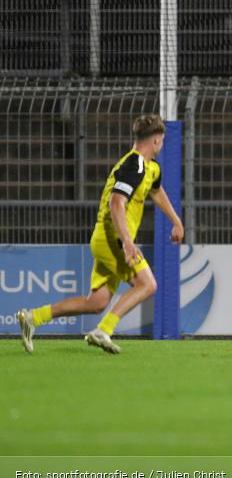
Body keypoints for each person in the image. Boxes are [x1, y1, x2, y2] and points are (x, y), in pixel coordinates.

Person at [16, 114, 184, 354]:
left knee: (97, 302)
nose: (163, 144)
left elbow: (156, 192)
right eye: (163, 140)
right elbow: (117, 203)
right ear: (157, 140)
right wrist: (127, 242)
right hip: (112, 238)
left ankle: (33, 317)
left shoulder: (151, 168)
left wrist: (176, 221)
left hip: (107, 238)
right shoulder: (133, 165)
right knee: (148, 284)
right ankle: (103, 331)